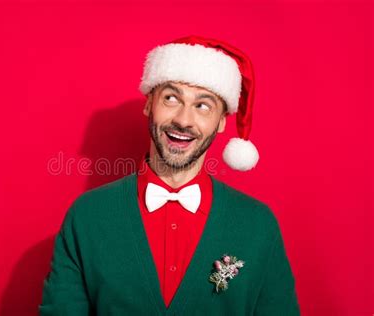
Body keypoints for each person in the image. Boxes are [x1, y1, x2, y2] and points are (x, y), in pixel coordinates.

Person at [39, 35, 300, 315]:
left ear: (222, 121)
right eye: (171, 98)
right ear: (149, 104)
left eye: (203, 105)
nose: (183, 120)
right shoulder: (87, 216)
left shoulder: (258, 225)